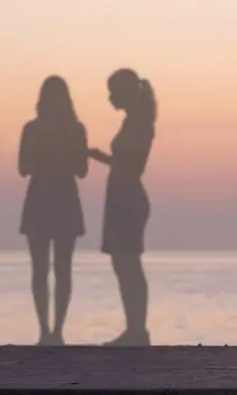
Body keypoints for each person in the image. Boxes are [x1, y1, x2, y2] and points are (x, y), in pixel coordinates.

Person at [19, 76, 89, 346]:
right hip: (41, 198)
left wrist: (63, 156)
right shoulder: (32, 129)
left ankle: (58, 330)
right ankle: (43, 331)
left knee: (63, 267)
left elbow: (82, 169)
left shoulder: (75, 129)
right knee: (39, 268)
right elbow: (22, 167)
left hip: (63, 198)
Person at [88, 68, 156, 346]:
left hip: (127, 199)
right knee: (124, 264)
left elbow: (130, 165)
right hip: (121, 197)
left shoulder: (139, 123)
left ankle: (137, 330)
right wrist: (98, 156)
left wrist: (99, 156)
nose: (109, 97)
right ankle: (134, 329)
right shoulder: (134, 121)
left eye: (112, 91)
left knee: (128, 264)